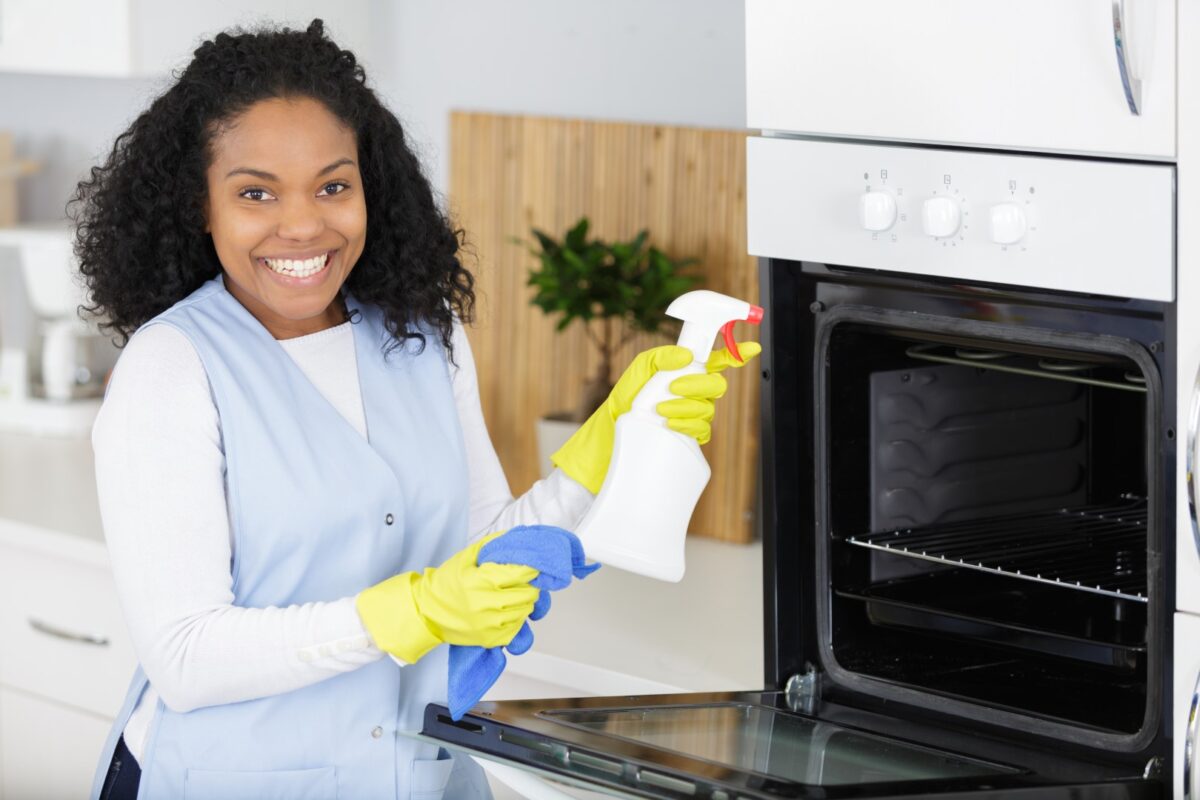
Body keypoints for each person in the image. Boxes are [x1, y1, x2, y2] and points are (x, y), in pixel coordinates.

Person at [72, 19, 759, 800]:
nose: (303, 224)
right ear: (201, 205)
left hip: (410, 780)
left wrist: (611, 448)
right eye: (255, 192)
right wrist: (405, 613)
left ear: (372, 188)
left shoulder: (422, 333)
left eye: (334, 185)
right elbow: (187, 657)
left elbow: (480, 557)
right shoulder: (173, 366)